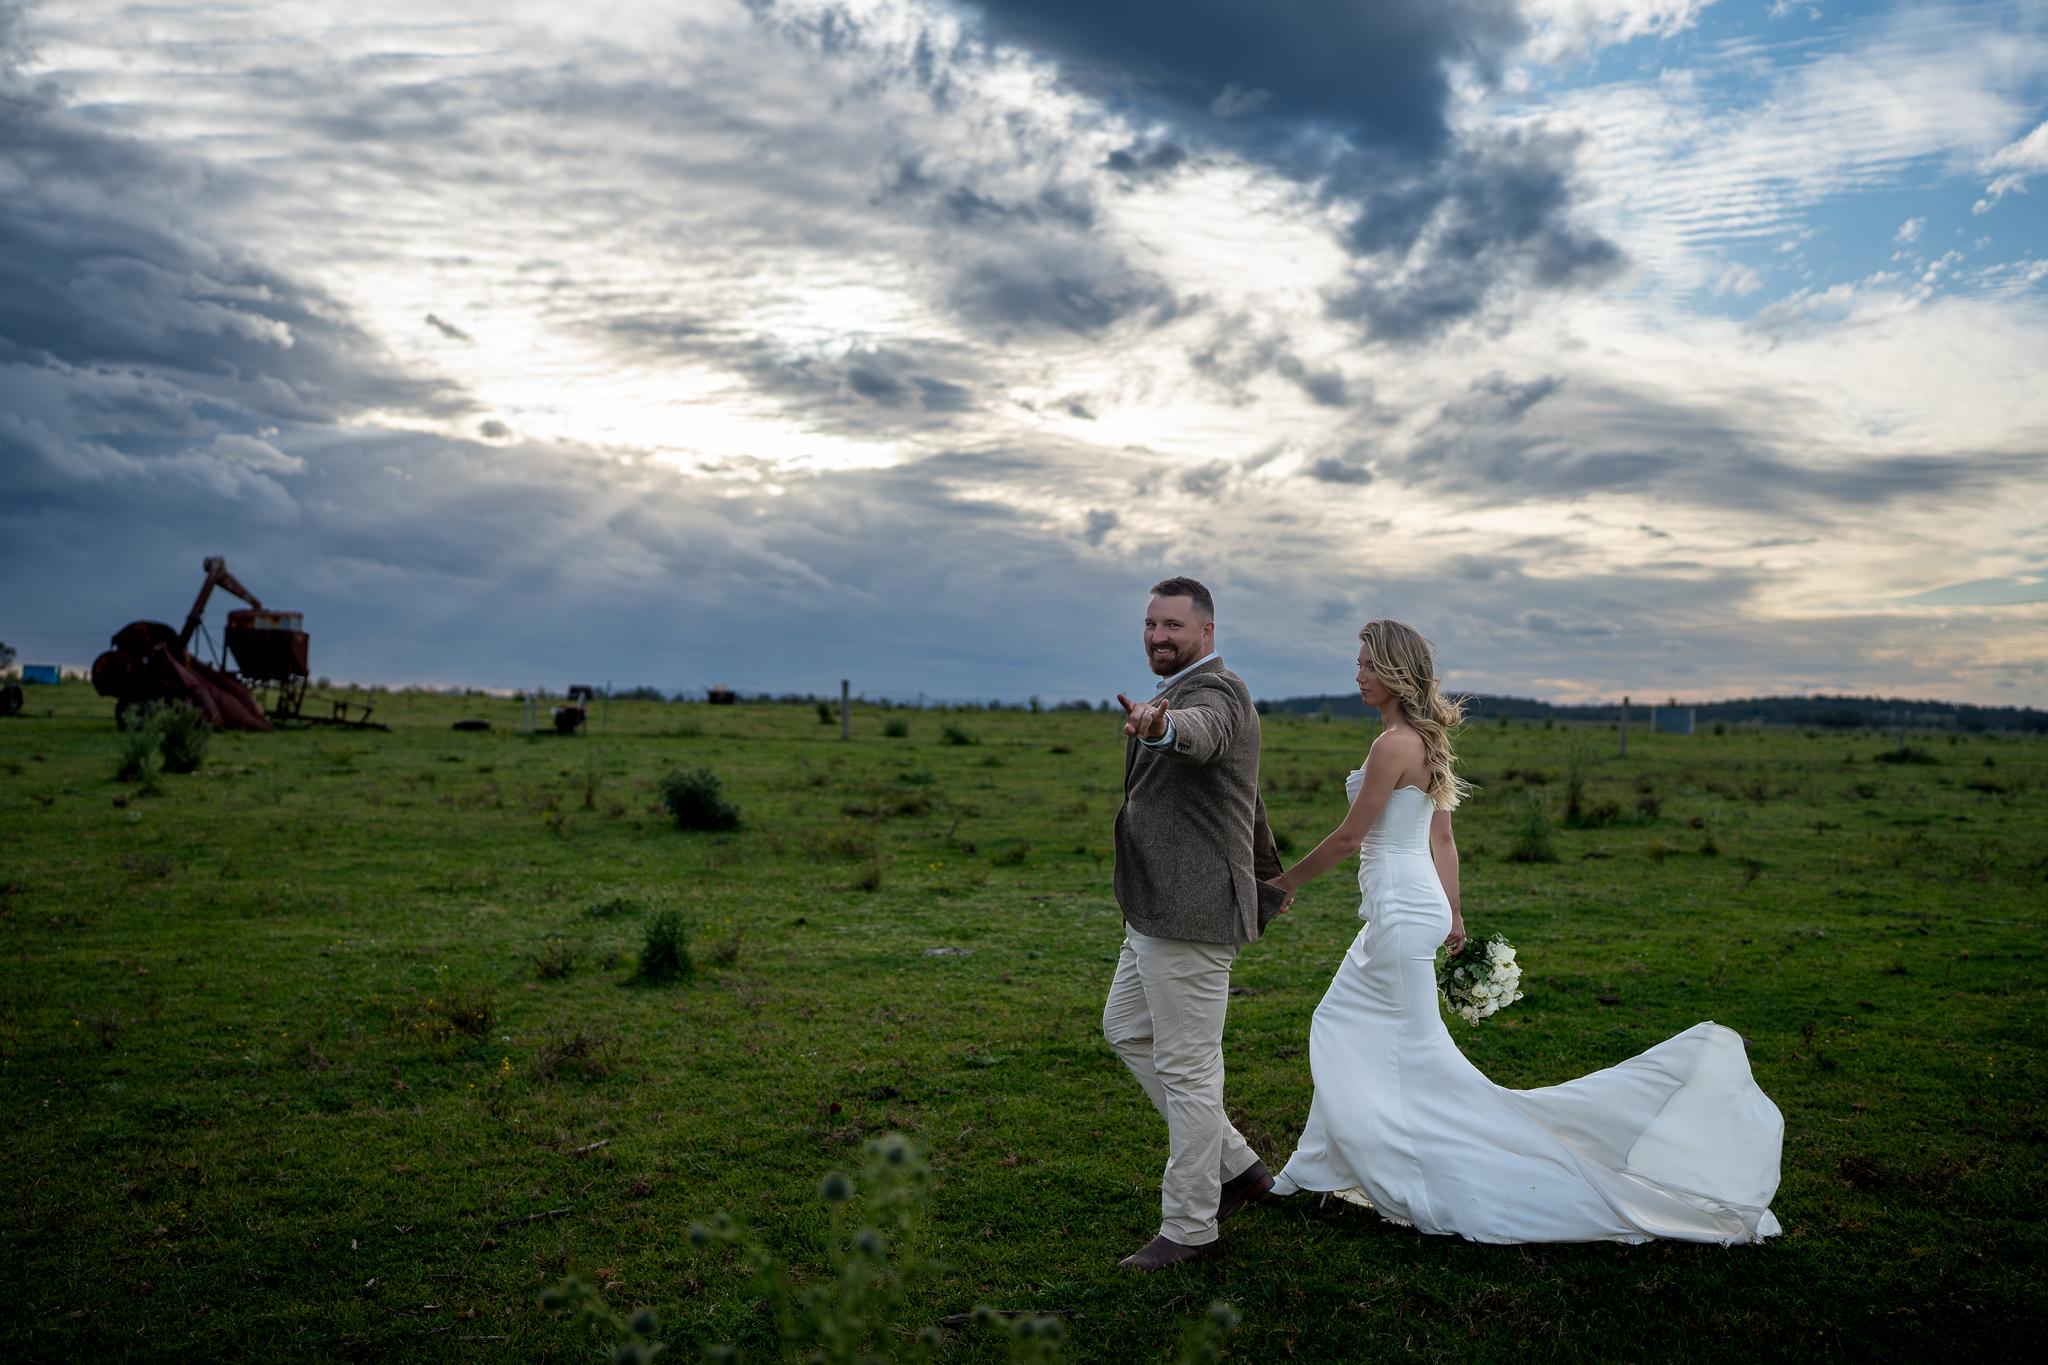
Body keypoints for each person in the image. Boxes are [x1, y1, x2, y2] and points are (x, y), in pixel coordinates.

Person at [1266, 619, 1783, 1244]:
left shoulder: (1392, 746)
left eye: (1367, 664)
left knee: (1388, 1046)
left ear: (1396, 674)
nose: (1358, 673)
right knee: (1358, 1030)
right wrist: (1453, 915)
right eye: (1358, 662)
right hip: (1413, 908)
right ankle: (1315, 1167)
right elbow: (1444, 839)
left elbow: (1351, 838)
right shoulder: (1421, 745)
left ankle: (1432, 1172)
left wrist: (1284, 884)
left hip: (1402, 913)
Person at [1104, 576, 1292, 1270]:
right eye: (1151, 624)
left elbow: (1202, 738)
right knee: (1124, 1028)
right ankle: (1239, 1167)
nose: (1158, 636)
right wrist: (1268, 868)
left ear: (1206, 633)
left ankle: (1189, 1226)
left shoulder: (1214, 694)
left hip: (1190, 912)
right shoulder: (1178, 689)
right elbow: (1246, 793)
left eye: (1173, 627)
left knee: (1188, 1069)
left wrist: (1161, 729)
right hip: (1155, 905)